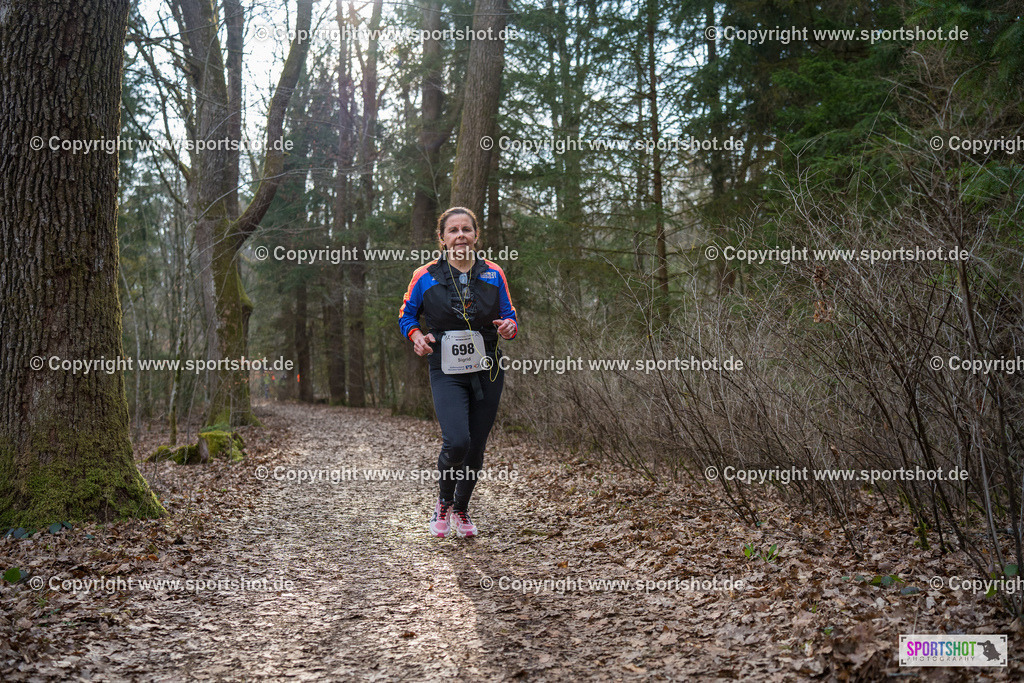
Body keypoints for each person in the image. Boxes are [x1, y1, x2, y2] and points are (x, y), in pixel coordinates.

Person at [398, 207, 518, 538]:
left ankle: (461, 511)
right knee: (457, 441)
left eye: (466, 229)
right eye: (453, 230)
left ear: (476, 235)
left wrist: (509, 327)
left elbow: (510, 315)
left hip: (488, 367)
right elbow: (406, 315)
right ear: (442, 238)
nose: (460, 235)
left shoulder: (494, 273)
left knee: (476, 446)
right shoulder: (424, 275)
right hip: (445, 369)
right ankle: (443, 503)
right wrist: (416, 335)